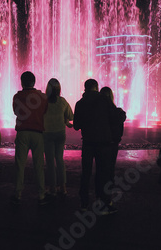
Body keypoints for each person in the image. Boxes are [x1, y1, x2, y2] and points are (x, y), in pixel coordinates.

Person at [74, 79, 124, 214]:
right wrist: (121, 115)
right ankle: (102, 203)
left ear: (85, 88)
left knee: (86, 173)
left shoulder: (80, 103)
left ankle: (84, 203)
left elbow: (76, 126)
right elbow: (115, 116)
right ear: (96, 87)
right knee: (102, 174)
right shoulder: (104, 100)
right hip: (104, 144)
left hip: (88, 143)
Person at [11, 71, 50, 205]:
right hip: (38, 133)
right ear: (34, 82)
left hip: (22, 133)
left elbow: (15, 111)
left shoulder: (17, 96)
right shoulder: (42, 97)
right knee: (39, 165)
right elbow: (45, 112)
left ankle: (18, 193)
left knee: (20, 165)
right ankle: (41, 195)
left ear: (22, 82)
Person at [43, 78, 74, 196]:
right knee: (60, 159)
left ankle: (52, 188)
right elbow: (70, 116)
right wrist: (66, 122)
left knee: (50, 161)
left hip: (47, 133)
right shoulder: (62, 101)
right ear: (59, 89)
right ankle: (63, 187)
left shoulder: (43, 102)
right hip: (60, 133)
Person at [99, 86, 126, 186]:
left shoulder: (99, 113)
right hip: (113, 142)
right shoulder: (118, 112)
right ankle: (109, 184)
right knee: (111, 164)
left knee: (101, 165)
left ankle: (101, 185)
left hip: (101, 142)